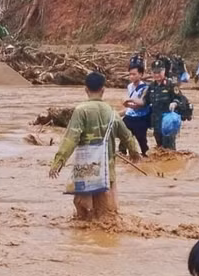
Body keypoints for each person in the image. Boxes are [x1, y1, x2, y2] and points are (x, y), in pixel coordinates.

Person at [49, 71, 141, 221]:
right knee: (107, 214)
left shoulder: (81, 111)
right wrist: (134, 153)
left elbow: (70, 139)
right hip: (107, 170)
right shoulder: (112, 112)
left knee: (83, 213)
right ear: (103, 90)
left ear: (86, 90)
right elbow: (127, 136)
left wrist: (59, 161)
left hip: (86, 169)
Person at [146, 63, 180, 148]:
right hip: (156, 120)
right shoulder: (151, 86)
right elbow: (145, 101)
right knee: (159, 145)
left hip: (168, 121)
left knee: (169, 146)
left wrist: (174, 103)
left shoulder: (171, 84)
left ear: (164, 71)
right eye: (154, 72)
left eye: (159, 72)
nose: (157, 75)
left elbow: (180, 98)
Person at [121, 60, 151, 156]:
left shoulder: (145, 88)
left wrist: (129, 102)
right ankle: (125, 157)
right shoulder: (129, 86)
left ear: (141, 74)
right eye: (130, 74)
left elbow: (142, 104)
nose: (131, 77)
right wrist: (126, 106)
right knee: (123, 140)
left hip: (140, 119)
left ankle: (145, 157)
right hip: (129, 117)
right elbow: (130, 105)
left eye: (134, 74)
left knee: (142, 142)